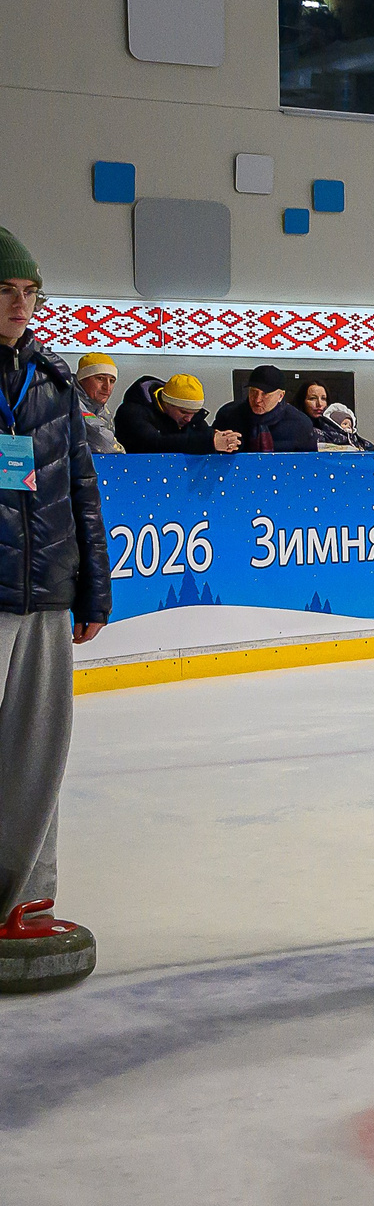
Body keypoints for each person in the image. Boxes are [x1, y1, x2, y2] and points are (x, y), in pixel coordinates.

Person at [0, 228, 111, 923]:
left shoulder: (52, 379)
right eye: (6, 291)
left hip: (44, 592)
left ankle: (25, 899)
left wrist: (93, 584)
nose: (21, 305)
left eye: (30, 293)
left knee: (38, 753)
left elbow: (81, 487)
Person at [115, 372, 239, 454]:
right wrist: (208, 442)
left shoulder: (192, 419)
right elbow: (154, 444)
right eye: (183, 412)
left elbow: (203, 435)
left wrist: (228, 441)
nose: (188, 419)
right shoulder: (132, 412)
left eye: (194, 413)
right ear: (166, 403)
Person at [214, 365, 318, 453]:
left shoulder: (300, 424)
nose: (257, 400)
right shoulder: (228, 415)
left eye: (265, 394)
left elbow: (309, 463)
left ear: (280, 396)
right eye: (253, 392)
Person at [74, 355, 121, 456]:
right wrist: (122, 454)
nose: (107, 387)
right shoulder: (72, 402)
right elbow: (104, 444)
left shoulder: (101, 409)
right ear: (82, 380)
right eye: (100, 379)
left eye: (112, 381)